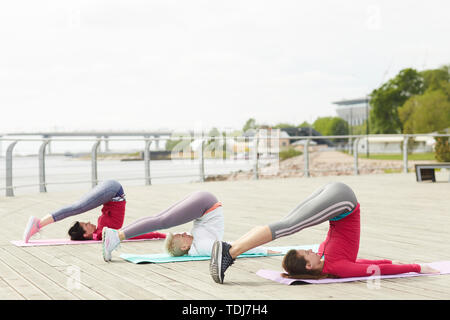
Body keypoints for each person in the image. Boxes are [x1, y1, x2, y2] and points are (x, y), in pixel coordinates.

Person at [209, 182, 439, 284]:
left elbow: (361, 263)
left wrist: (397, 262)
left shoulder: (328, 260)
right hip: (341, 200)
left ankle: (231, 249)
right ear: (309, 266)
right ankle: (231, 250)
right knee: (288, 224)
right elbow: (373, 269)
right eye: (306, 253)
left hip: (339, 200)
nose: (311, 249)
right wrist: (415, 267)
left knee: (287, 223)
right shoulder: (336, 266)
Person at [101, 190, 279, 262]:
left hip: (205, 204)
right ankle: (116, 235)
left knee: (161, 220)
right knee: (160, 219)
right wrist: (264, 250)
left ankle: (116, 236)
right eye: (180, 236)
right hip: (205, 204)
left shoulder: (195, 246)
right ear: (185, 246)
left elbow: (231, 247)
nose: (183, 232)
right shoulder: (202, 246)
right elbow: (234, 247)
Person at [22, 180, 165, 242]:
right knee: (76, 207)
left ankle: (39, 223)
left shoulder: (100, 232)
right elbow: (131, 234)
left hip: (111, 191)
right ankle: (38, 223)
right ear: (86, 234)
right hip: (113, 191)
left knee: (77, 207)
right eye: (86, 225)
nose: (89, 222)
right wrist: (158, 235)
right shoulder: (103, 235)